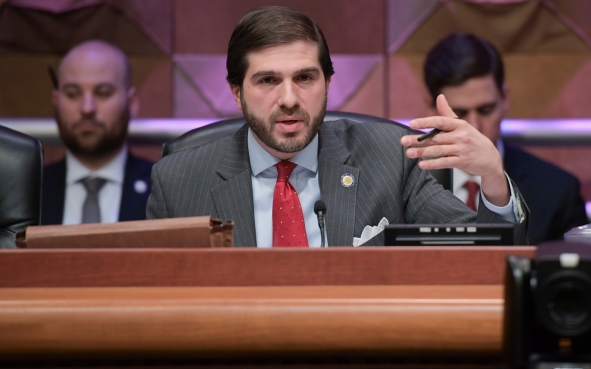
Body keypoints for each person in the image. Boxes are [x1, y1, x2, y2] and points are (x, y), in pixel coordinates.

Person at [146, 6, 528, 247]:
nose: (290, 98)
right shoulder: (178, 181)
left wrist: (493, 179)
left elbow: (481, 257)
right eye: (267, 81)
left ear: (327, 84)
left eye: (305, 78)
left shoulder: (389, 157)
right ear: (236, 92)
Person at [424, 32, 588, 244]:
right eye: (459, 113)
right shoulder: (404, 189)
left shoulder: (557, 191)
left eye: (486, 109)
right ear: (431, 109)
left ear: (505, 99)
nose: (474, 126)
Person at [42, 40, 153, 225]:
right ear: (56, 101)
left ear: (131, 103)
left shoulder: (162, 191)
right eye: (72, 94)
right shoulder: (27, 192)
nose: (87, 108)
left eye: (103, 93)